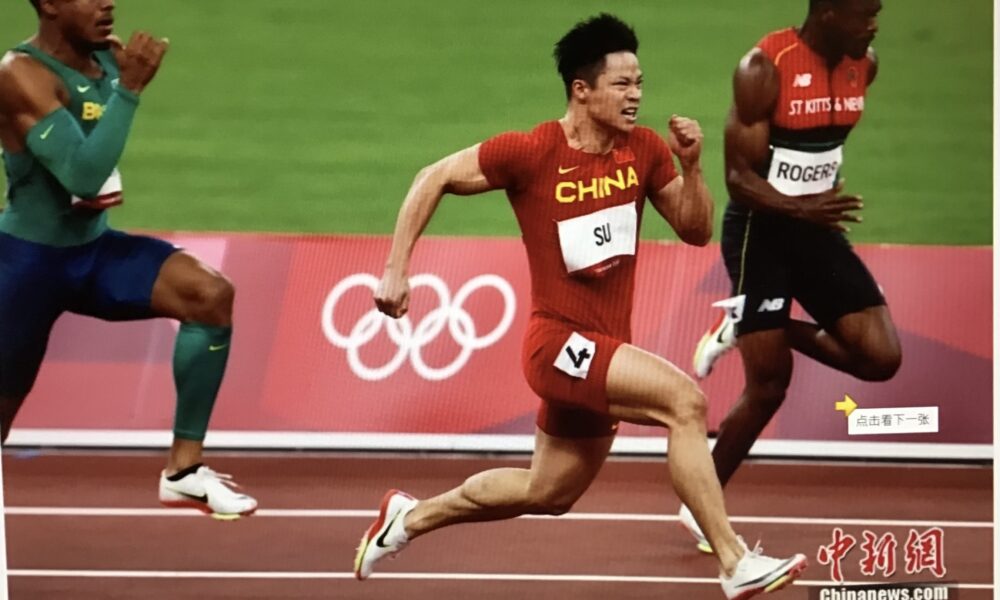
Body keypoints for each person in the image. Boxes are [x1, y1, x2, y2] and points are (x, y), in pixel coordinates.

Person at [354, 14, 806, 598]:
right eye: (622, 84)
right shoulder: (531, 151)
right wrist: (396, 269)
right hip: (557, 344)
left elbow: (695, 230)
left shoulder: (643, 150)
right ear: (582, 89)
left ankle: (407, 519)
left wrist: (692, 166)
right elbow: (432, 176)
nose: (636, 95)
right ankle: (733, 560)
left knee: (549, 491)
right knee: (685, 403)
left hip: (605, 346)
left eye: (639, 83)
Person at [0, 0, 256, 519]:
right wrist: (130, 90)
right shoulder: (18, 74)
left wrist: (120, 81)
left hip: (93, 253)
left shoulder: (104, 60)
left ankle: (183, 473)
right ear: (49, 4)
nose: (107, 2)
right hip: (24, 265)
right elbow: (83, 175)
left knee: (209, 294)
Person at [684, 0, 899, 551]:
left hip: (816, 229)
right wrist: (803, 207)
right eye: (863, 14)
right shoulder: (764, 68)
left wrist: (812, 208)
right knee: (769, 386)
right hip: (761, 232)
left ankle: (744, 325)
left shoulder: (864, 64)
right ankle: (701, 508)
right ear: (827, 13)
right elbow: (738, 179)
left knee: (881, 358)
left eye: (876, 13)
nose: (873, 25)